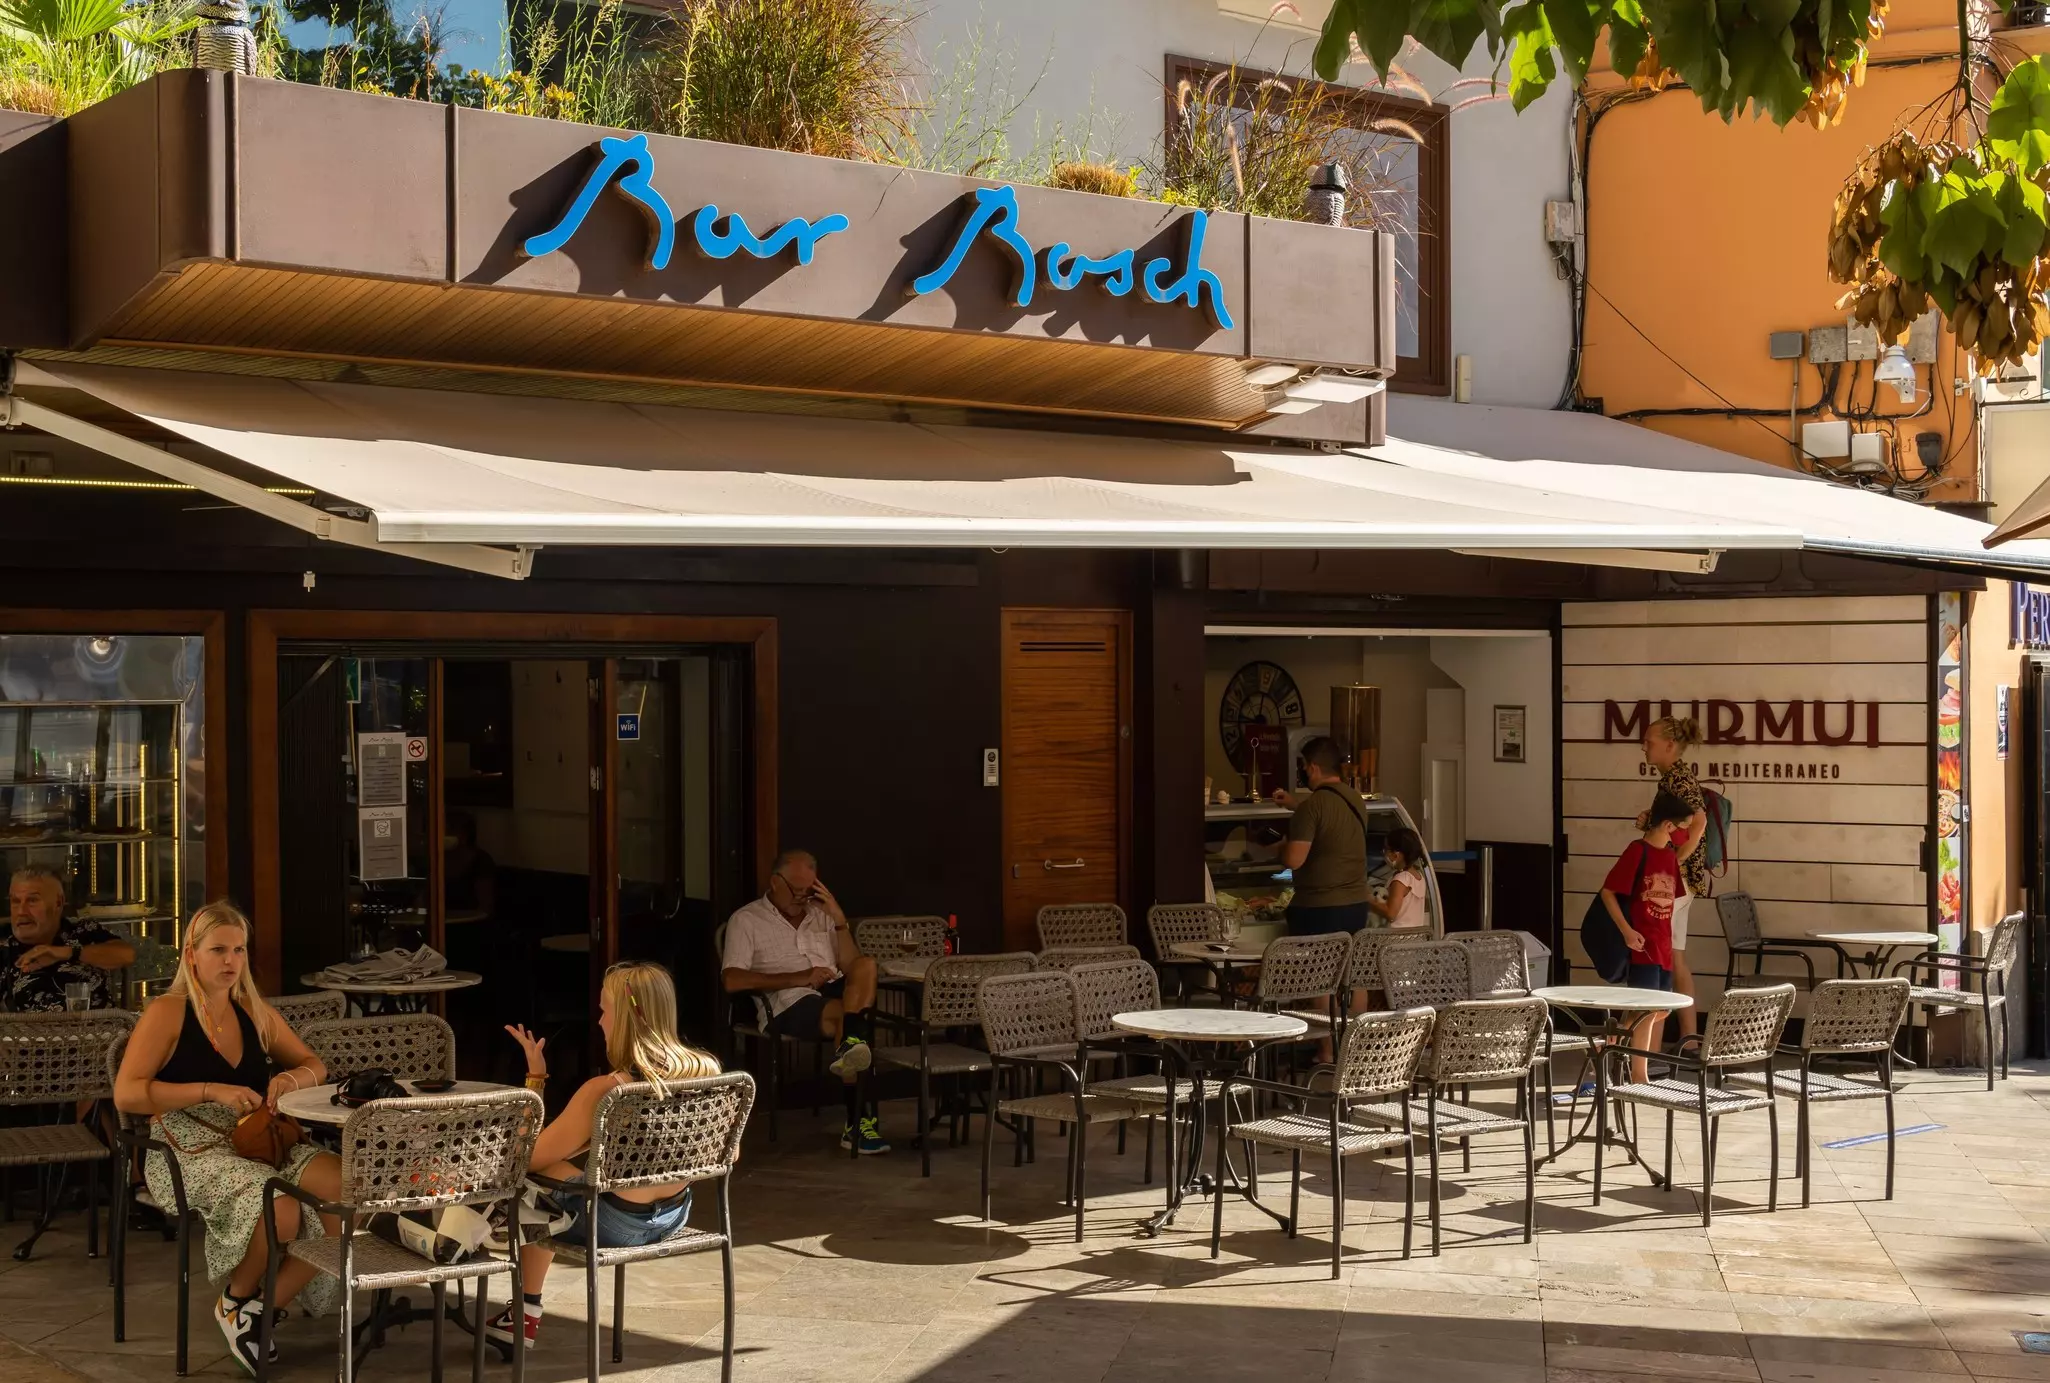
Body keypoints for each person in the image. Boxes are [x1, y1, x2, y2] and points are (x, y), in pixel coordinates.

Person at [113, 902, 341, 1377]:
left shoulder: (255, 1010)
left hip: (259, 1136)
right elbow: (128, 1093)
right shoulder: (167, 1011)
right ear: (191, 955)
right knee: (279, 1204)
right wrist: (208, 1089)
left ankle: (261, 1309)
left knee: (348, 1189)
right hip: (185, 1145)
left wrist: (291, 1081)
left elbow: (316, 1066)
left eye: (239, 950)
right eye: (218, 949)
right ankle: (238, 1297)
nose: (231, 961)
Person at [487, 961, 721, 1351]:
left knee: (528, 1186)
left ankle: (523, 1314)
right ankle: (521, 1315)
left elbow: (525, 1159)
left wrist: (535, 1082)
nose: (599, 1021)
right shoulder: (708, 1072)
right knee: (562, 1172)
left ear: (629, 1016)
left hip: (611, 1226)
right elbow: (728, 1152)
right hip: (675, 1216)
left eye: (605, 1010)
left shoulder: (608, 1089)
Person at [720, 850, 886, 1153]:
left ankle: (850, 1044)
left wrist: (838, 920)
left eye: (808, 890)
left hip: (835, 989)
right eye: (796, 890)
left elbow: (851, 966)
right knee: (850, 1020)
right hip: (789, 1000)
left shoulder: (821, 915)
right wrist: (799, 977)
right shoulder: (746, 920)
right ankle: (858, 1120)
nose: (802, 897)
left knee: (867, 967)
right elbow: (732, 980)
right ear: (774, 882)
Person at [1600, 790, 1692, 1082]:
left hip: (1662, 945)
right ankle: (1639, 1073)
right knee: (1647, 1009)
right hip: (1641, 946)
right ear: (1668, 826)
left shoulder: (1669, 857)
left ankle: (1610, 1041)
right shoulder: (1637, 851)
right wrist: (1627, 931)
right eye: (1682, 829)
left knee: (1659, 1010)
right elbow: (1608, 892)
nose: (1683, 836)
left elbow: (1670, 901)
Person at [1640, 716, 1710, 1039]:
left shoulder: (1678, 779)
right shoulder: (1674, 777)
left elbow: (1699, 823)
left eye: (1650, 741)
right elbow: (1677, 824)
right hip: (1684, 885)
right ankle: (1689, 1040)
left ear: (1669, 746)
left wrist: (1673, 861)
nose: (1644, 746)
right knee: (1676, 959)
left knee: (1660, 961)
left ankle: (1651, 1047)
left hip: (1674, 885)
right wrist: (1649, 820)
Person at [3, 864, 135, 1012]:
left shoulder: (83, 931)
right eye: (15, 902)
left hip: (98, 1031)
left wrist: (66, 953)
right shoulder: (4, 943)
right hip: (27, 1034)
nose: (21, 911)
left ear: (58, 903)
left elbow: (126, 955)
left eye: (32, 901)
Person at [1367, 828, 1430, 930]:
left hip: (1396, 939)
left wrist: (1368, 901)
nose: (1384, 853)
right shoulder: (1418, 877)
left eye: (1386, 849)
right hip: (1413, 937)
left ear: (1397, 854)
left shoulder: (1401, 880)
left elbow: (1390, 913)